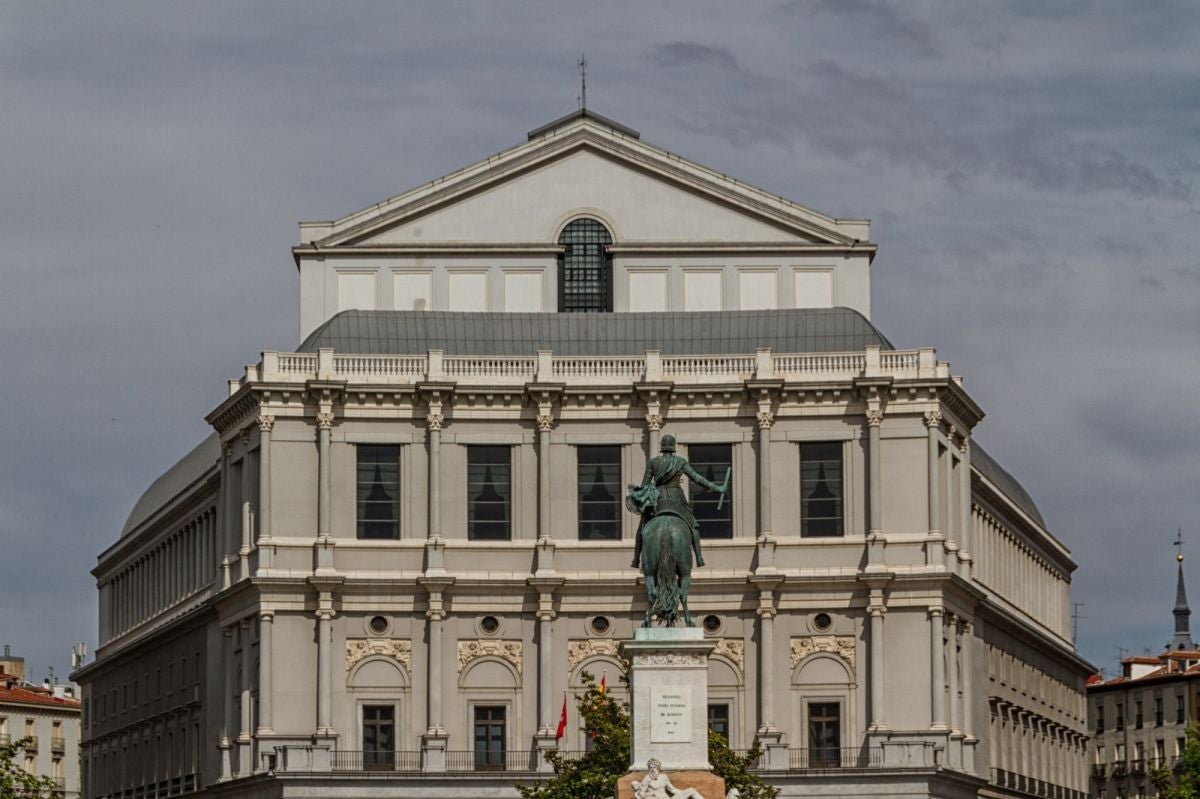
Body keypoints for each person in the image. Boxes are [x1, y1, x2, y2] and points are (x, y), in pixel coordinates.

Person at [628, 434, 728, 569]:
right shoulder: (680, 462)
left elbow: (645, 485)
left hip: (658, 500)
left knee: (642, 527)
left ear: (662, 448)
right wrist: (717, 488)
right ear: (673, 447)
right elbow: (697, 478)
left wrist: (637, 491)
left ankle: (636, 559)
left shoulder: (653, 462)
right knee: (693, 525)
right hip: (676, 498)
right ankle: (699, 557)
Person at [630, 758, 707, 799]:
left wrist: (683, 794)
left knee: (691, 790)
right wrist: (653, 793)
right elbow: (641, 794)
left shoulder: (664, 777)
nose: (652, 769)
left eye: (654, 767)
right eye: (650, 768)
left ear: (658, 768)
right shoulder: (647, 779)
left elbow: (672, 790)